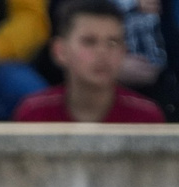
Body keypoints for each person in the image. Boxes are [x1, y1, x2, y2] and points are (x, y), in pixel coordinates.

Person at [12, 0, 163, 120]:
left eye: (113, 42)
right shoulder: (34, 114)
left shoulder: (146, 117)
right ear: (60, 51)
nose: (102, 52)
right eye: (89, 41)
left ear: (124, 51)